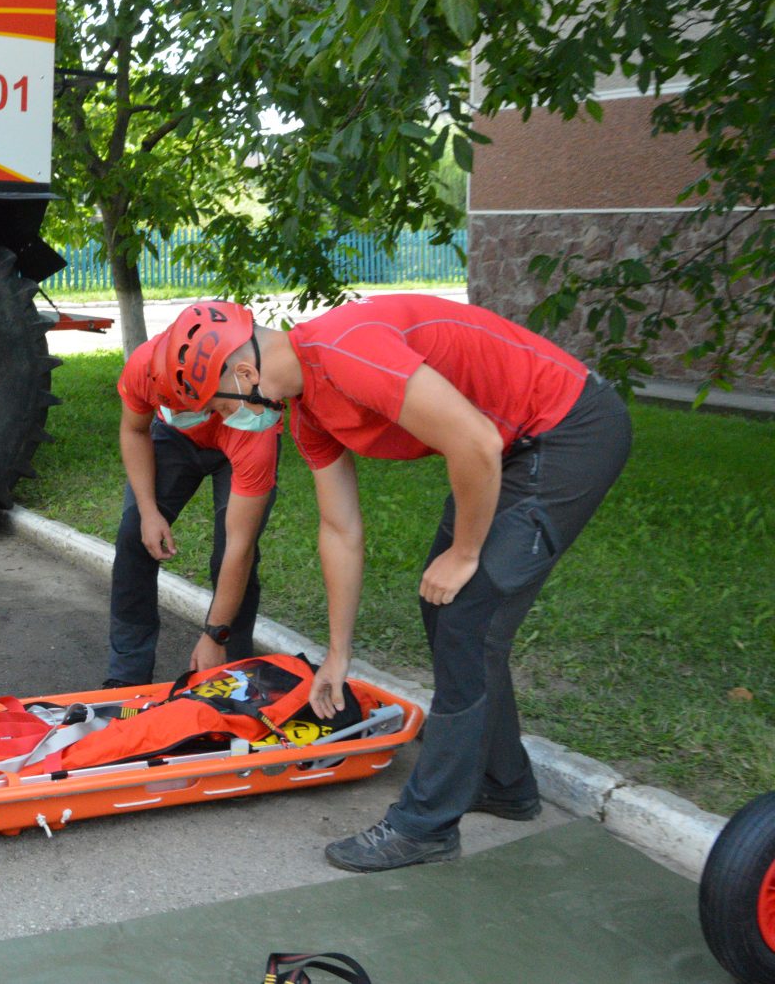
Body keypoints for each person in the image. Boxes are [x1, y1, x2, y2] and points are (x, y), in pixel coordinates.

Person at [165, 293, 632, 872]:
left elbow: (475, 442)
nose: (230, 421)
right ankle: (503, 781)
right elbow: (340, 529)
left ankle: (426, 826)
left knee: (468, 618)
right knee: (446, 610)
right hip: (513, 444)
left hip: (569, 432)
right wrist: (338, 654)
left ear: (245, 373)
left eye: (221, 405)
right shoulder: (310, 411)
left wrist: (465, 553)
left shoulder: (346, 351)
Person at [107, 313, 282, 688]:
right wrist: (150, 511)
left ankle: (233, 671)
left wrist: (214, 634)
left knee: (231, 555)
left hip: (238, 440)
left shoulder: (255, 424)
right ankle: (126, 678)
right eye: (176, 407)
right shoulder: (144, 365)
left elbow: (240, 545)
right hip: (173, 442)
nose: (191, 415)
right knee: (134, 535)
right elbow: (134, 430)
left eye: (195, 408)